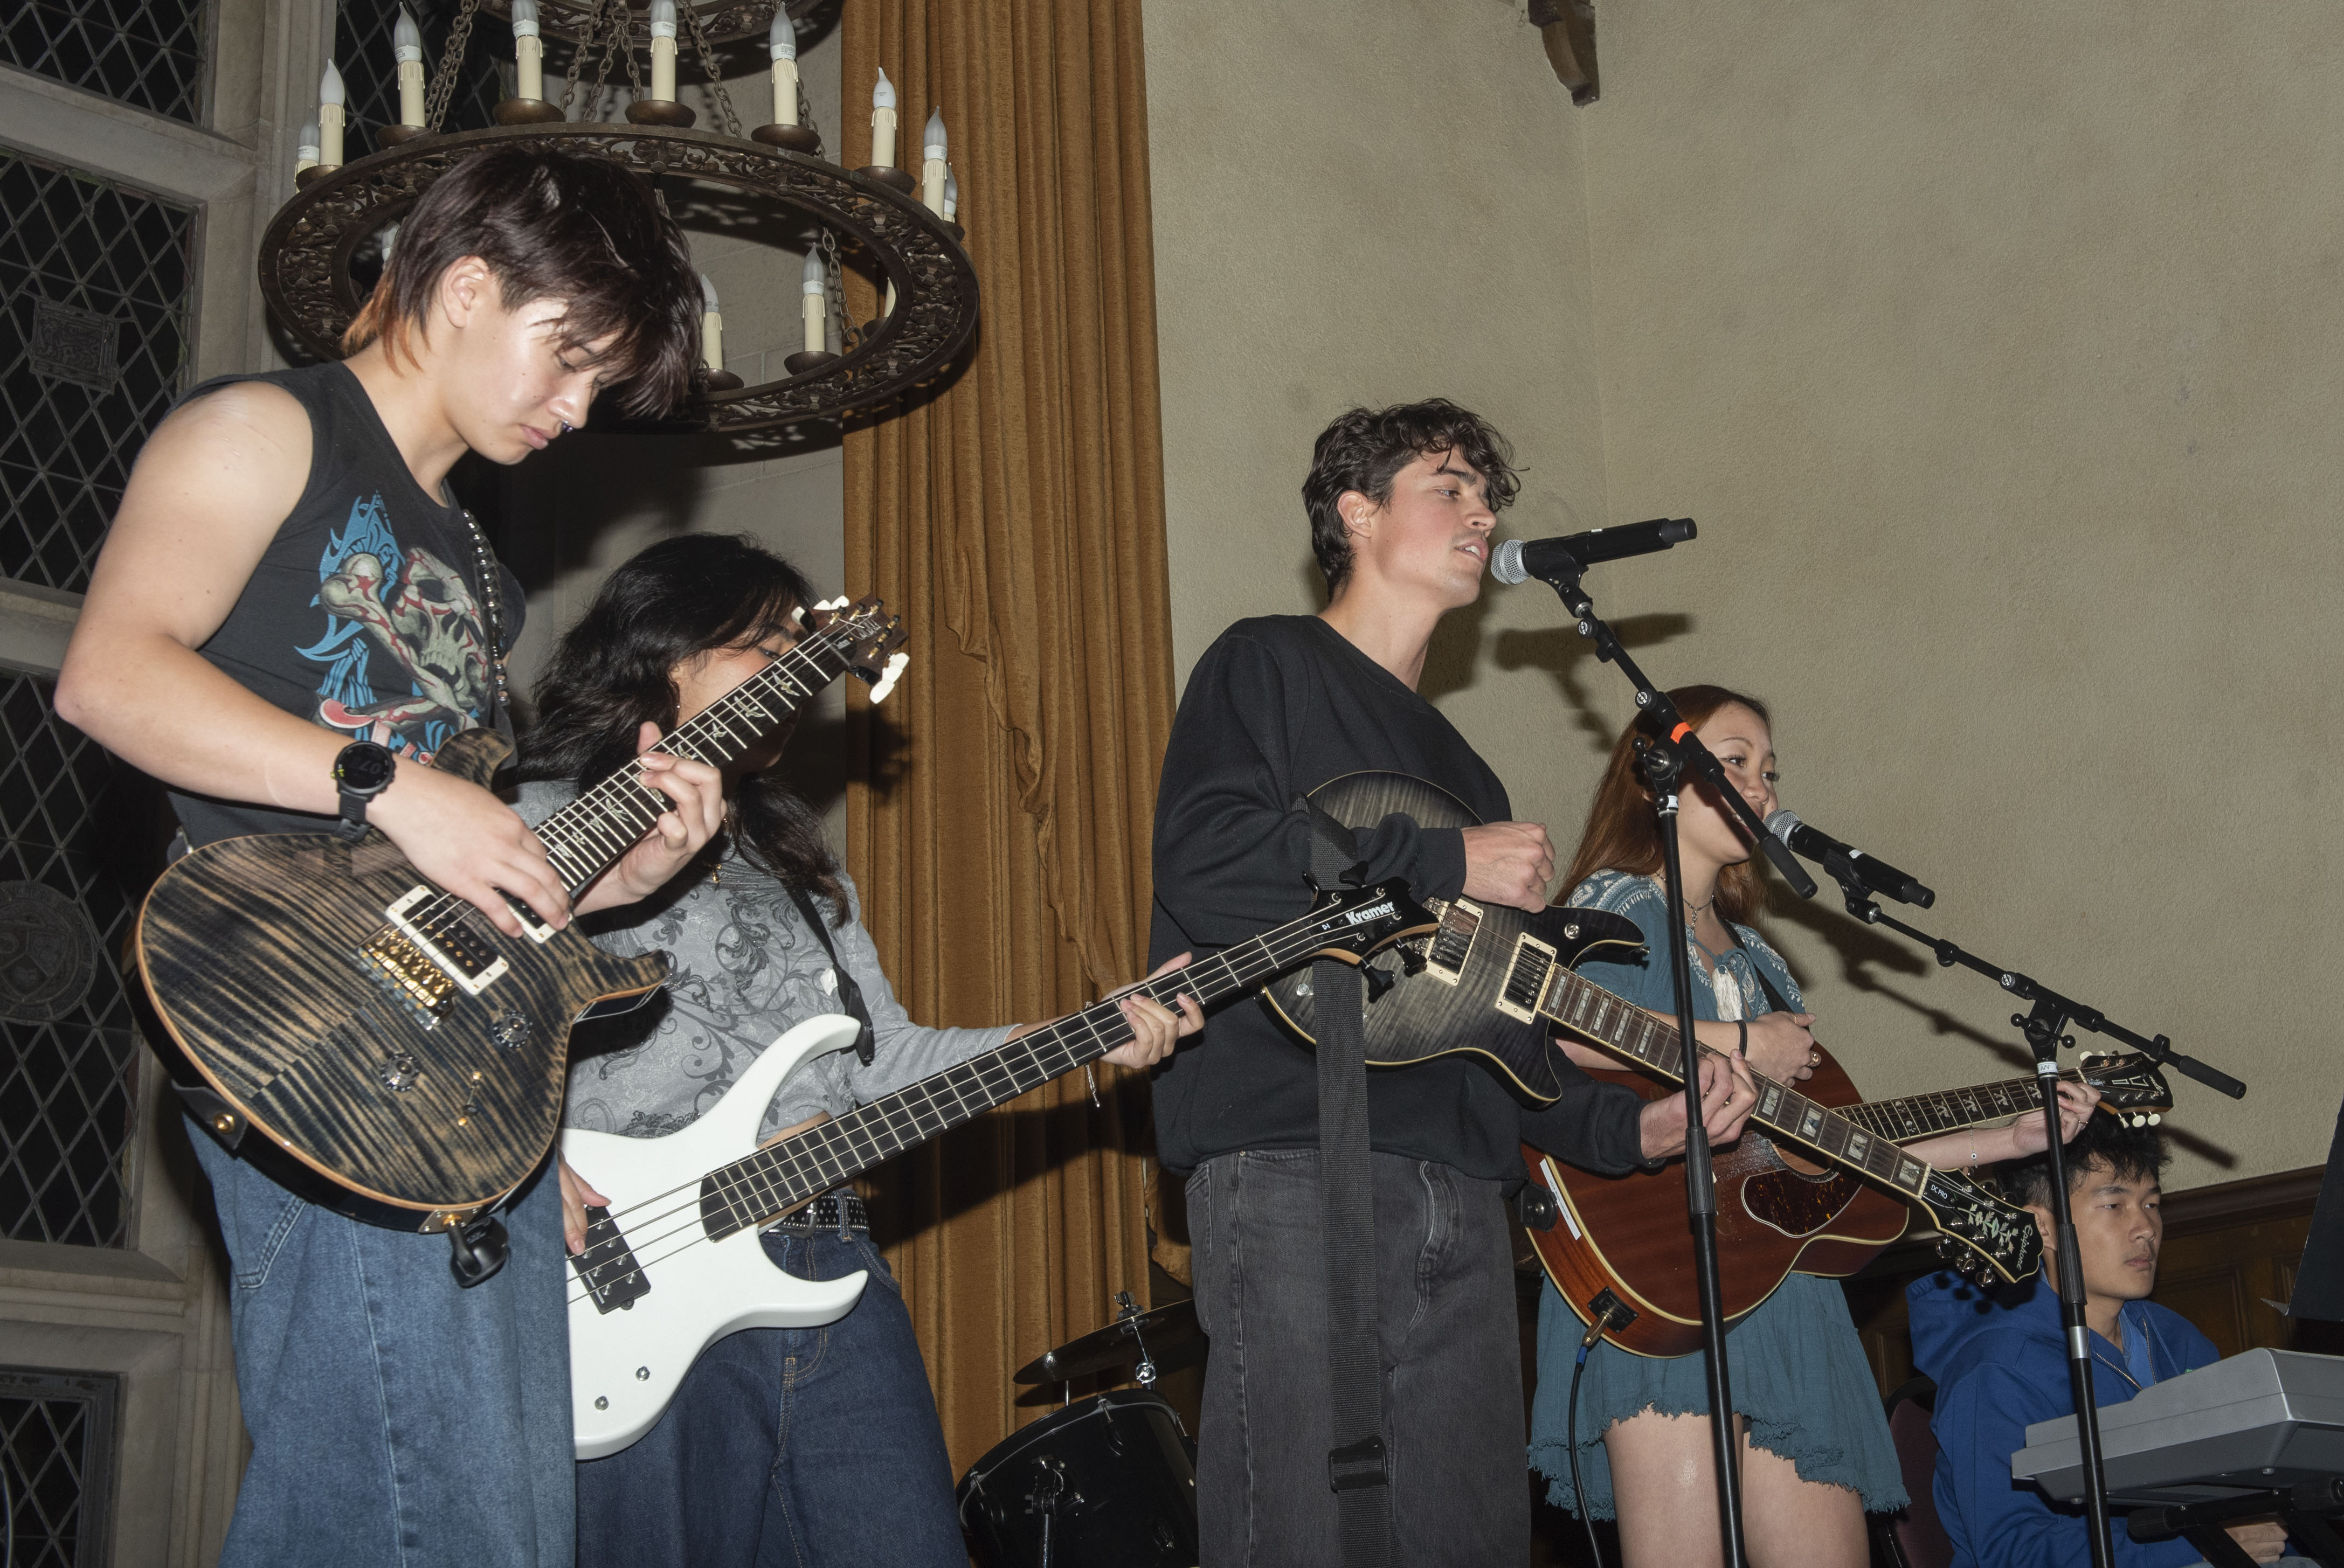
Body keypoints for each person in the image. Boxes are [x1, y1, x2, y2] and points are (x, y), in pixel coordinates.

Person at [53, 146, 716, 1566]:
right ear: (468, 286)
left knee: (492, 1532)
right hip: (313, 1044)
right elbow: (109, 676)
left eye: (599, 382)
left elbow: (455, 857)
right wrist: (385, 778)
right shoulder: (263, 430)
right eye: (568, 356)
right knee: (426, 1523)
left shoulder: (481, 578)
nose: (578, 406)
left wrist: (620, 878)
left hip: (459, 1084)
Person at [1147, 400, 1760, 1566]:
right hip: (1294, 1171)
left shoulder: (1465, 768)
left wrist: (1635, 1127)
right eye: (1450, 485)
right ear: (1358, 512)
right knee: (1299, 1534)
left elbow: (1510, 1038)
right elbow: (1210, 862)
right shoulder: (1267, 663)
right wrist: (1438, 863)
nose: (1483, 513)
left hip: (1464, 1200)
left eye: (1491, 497)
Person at [522, 533, 1204, 1567]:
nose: (795, 682)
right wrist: (523, 1169)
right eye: (764, 650)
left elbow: (880, 1063)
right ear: (667, 653)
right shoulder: (533, 821)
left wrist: (1077, 1035)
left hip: (829, 1262)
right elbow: (443, 1035)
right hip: (634, 1282)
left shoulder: (794, 860)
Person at [1527, 685, 2099, 1568]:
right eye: (1733, 762)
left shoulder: (1760, 960)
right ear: (1655, 781)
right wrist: (1740, 1042)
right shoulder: (1612, 907)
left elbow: (1826, 1146)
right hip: (1666, 1269)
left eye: (1768, 772)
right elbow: (1554, 1025)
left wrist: (2009, 1138)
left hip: (1784, 1289)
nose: (1758, 787)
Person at [1910, 1115, 2300, 1566]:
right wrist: (2202, 1542)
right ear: (2043, 1227)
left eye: (2152, 1205)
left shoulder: (2178, 1340)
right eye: (2115, 1206)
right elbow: (2013, 1552)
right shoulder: (1997, 1371)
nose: (2146, 1229)